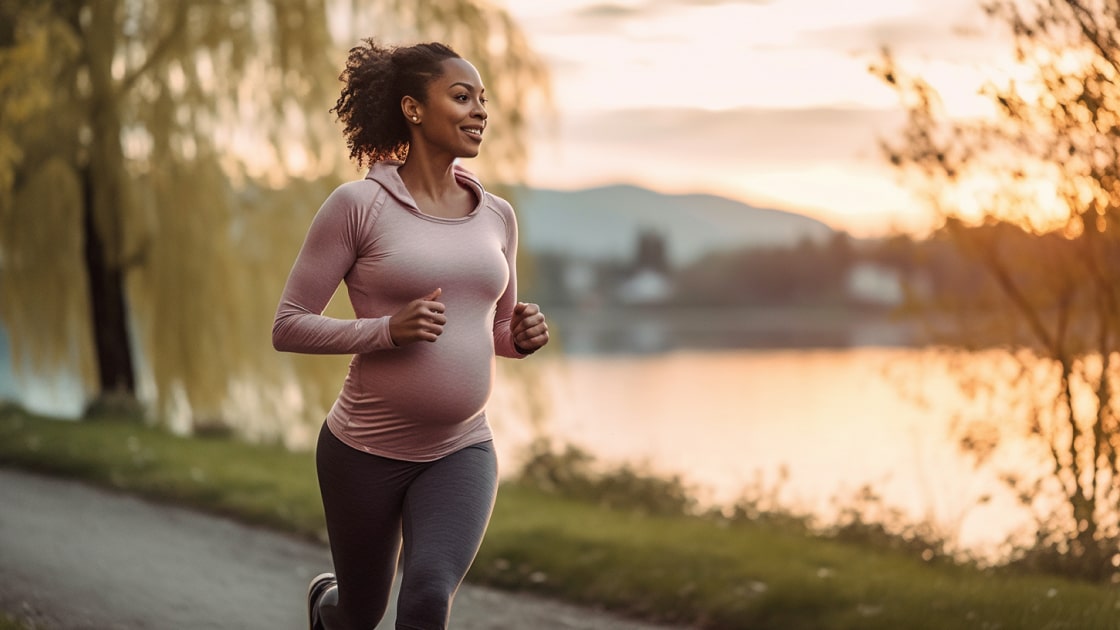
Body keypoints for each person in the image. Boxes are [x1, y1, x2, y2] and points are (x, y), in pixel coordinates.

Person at [272, 39, 549, 630]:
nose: (480, 111)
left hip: (461, 448)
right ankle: (328, 609)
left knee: (425, 600)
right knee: (360, 613)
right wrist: (384, 331)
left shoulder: (497, 215)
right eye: (461, 97)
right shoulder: (358, 206)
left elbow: (496, 328)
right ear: (413, 109)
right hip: (362, 453)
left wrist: (519, 335)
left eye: (482, 100)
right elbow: (288, 325)